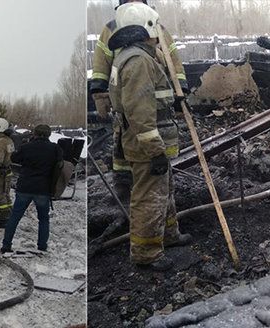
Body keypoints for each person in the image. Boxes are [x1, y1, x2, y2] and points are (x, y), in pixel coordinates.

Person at [107, 2, 192, 272]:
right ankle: (146, 252)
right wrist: (155, 150)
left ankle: (168, 234)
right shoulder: (139, 61)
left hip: (150, 143)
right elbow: (140, 113)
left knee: (163, 192)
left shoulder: (133, 56)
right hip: (147, 146)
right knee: (148, 197)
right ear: (146, 28)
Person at [89, 0, 189, 205]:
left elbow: (174, 61)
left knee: (149, 161)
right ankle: (128, 199)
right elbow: (101, 63)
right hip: (133, 101)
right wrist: (100, 93)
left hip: (153, 103)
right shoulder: (114, 33)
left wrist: (180, 95)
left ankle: (151, 208)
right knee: (129, 154)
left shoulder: (156, 28)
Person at [0, 124, 62, 253]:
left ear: (35, 133)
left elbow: (14, 158)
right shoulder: (55, 148)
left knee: (15, 217)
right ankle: (42, 246)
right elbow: (60, 165)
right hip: (43, 189)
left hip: (25, 187)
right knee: (44, 219)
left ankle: (6, 246)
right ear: (49, 134)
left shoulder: (26, 147)